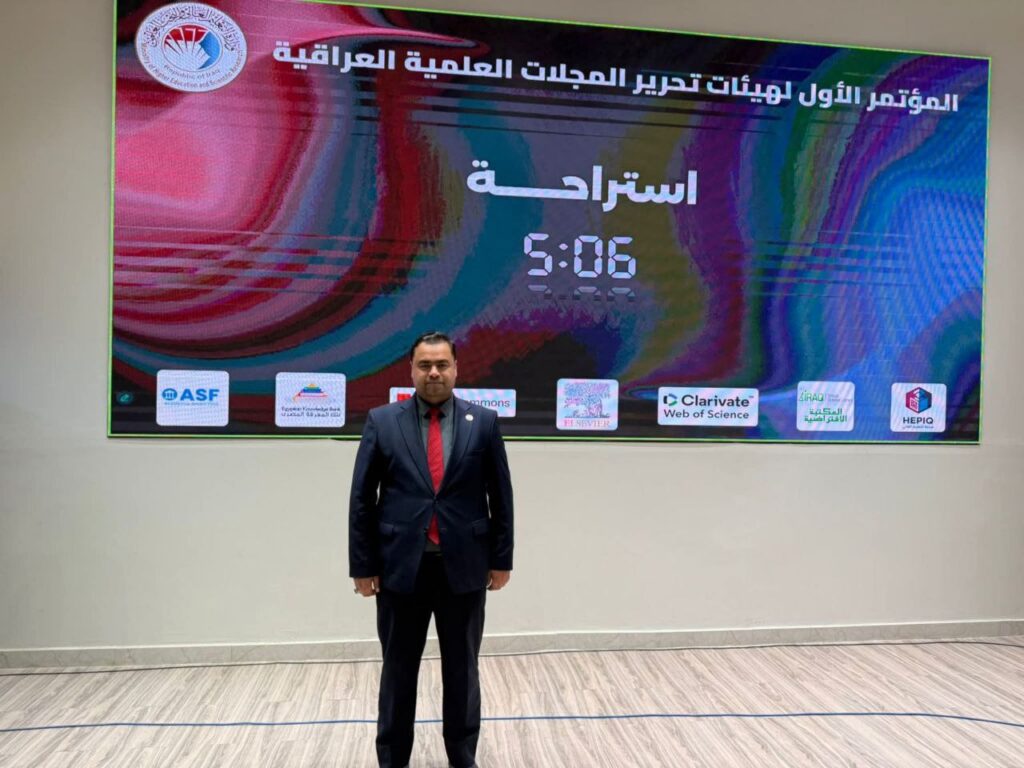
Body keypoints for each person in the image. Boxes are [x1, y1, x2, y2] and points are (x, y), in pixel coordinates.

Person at [349, 331, 514, 768]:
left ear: (456, 369)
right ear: (412, 370)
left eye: (442, 364)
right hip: (401, 570)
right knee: (398, 671)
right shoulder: (383, 421)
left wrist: (501, 559)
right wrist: (362, 565)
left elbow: (501, 496)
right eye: (425, 365)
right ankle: (392, 759)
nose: (434, 372)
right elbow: (362, 499)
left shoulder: (484, 422)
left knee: (462, 670)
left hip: (465, 569)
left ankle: (462, 757)